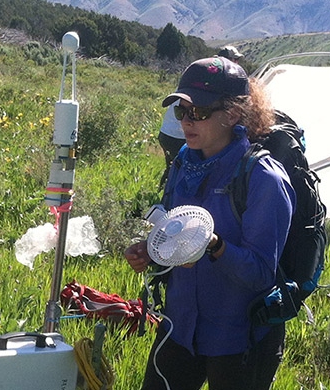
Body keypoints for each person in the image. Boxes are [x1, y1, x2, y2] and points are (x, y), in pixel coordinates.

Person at [124, 57, 294, 390]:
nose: (186, 121)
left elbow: (261, 273)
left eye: (198, 112)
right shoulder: (184, 164)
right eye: (181, 110)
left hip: (239, 340)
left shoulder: (263, 178)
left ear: (231, 115)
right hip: (181, 327)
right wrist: (151, 250)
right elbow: (176, 237)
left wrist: (214, 245)